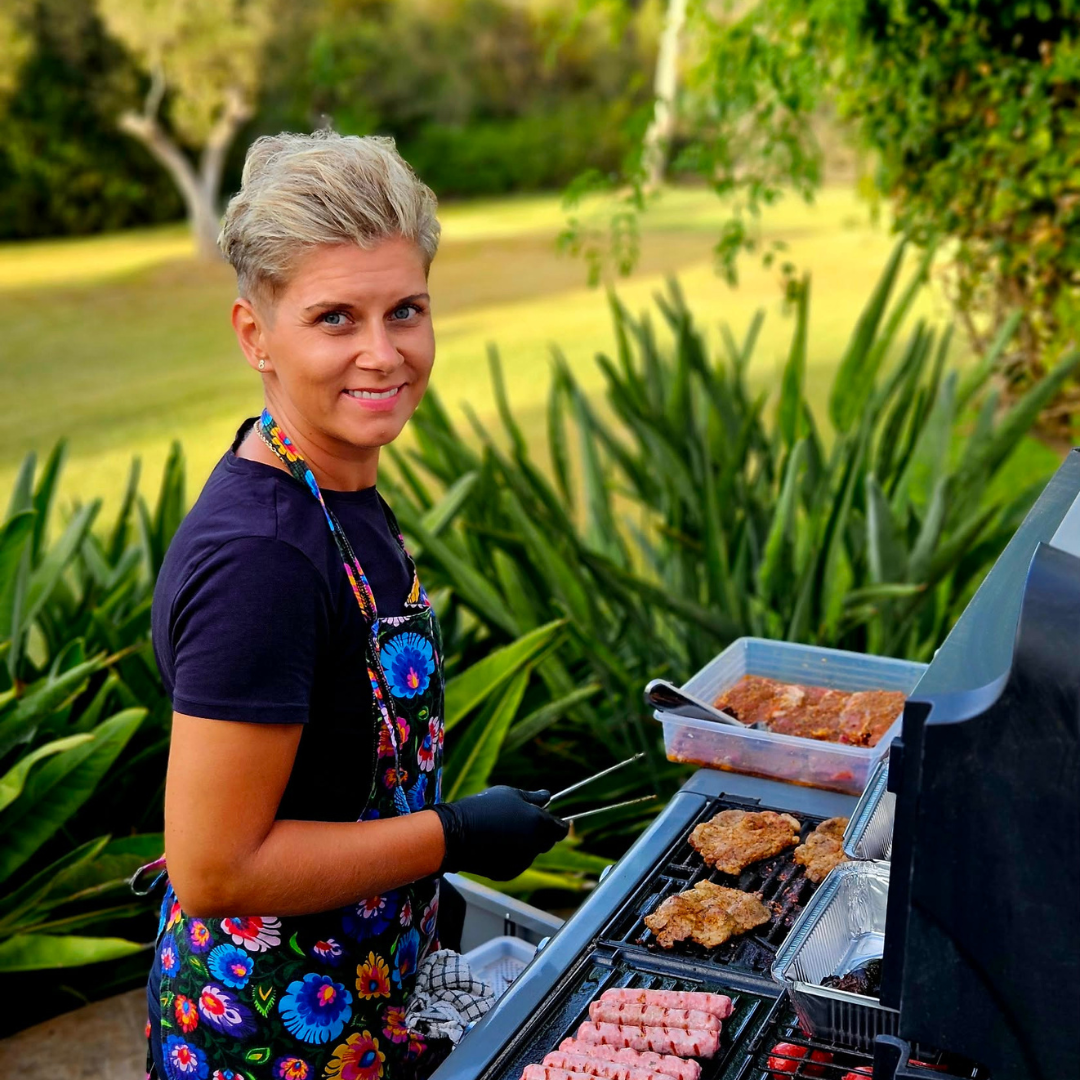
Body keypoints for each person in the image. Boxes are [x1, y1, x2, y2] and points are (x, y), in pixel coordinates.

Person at [143, 130, 568, 1080]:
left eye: (406, 310)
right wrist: (455, 835)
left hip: (368, 991)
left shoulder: (334, 483)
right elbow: (215, 868)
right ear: (256, 335)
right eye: (335, 318)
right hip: (266, 1031)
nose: (384, 355)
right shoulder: (261, 561)